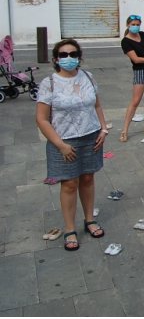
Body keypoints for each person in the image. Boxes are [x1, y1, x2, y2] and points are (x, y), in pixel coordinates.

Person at [37, 39, 108, 251]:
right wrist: (60, 145)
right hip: (64, 140)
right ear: (56, 59)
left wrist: (103, 129)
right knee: (69, 183)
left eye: (73, 54)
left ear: (79, 56)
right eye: (64, 55)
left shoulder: (88, 77)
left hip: (91, 135)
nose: (69, 58)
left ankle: (89, 220)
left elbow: (96, 104)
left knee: (87, 177)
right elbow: (42, 119)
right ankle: (69, 229)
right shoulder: (49, 82)